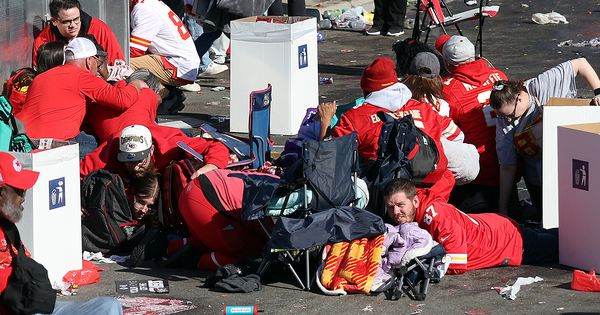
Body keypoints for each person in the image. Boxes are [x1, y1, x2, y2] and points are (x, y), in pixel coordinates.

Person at [319, 57, 461, 200]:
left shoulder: (355, 117)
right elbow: (457, 136)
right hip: (434, 192)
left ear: (366, 89)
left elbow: (328, 158)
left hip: (388, 199)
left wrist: (325, 121)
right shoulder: (423, 108)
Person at [0, 152, 123, 315]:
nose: (24, 196)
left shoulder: (8, 228)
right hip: (17, 309)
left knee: (108, 306)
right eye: (19, 190)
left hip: (30, 303)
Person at [490, 58, 600, 219]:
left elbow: (580, 64)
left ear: (520, 97)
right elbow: (507, 167)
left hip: (570, 168)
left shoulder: (541, 86)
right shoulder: (503, 120)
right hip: (538, 179)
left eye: (510, 115)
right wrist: (503, 209)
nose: (508, 121)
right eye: (502, 117)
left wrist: (598, 92)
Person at [383, 178, 558, 275]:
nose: (395, 212)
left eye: (400, 205)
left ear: (415, 200)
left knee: (566, 247)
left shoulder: (435, 216)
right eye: (390, 207)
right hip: (495, 227)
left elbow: (457, 263)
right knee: (561, 238)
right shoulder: (414, 210)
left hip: (507, 241)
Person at [18, 37, 147, 158]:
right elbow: (123, 100)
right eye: (97, 62)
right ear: (89, 61)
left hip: (23, 141)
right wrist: (134, 84)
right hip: (56, 144)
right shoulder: (83, 77)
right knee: (107, 146)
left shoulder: (41, 77)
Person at [440, 35, 508, 213]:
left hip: (477, 173)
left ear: (448, 64)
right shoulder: (499, 75)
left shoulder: (448, 89)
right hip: (508, 163)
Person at [404, 52, 480, 185]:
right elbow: (457, 136)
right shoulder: (442, 105)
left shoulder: (402, 101)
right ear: (438, 77)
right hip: (435, 162)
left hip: (407, 158)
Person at [80, 124, 230, 181]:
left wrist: (210, 167)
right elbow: (79, 172)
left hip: (170, 134)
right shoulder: (110, 150)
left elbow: (216, 146)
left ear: (151, 150)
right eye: (128, 161)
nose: (135, 166)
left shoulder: (171, 145)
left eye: (140, 160)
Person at [129, 0, 201, 91]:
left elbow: (135, 50)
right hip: (179, 61)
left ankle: (164, 95)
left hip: (178, 65)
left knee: (119, 65)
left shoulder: (144, 9)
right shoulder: (151, 3)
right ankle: (168, 94)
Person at [32, 0, 124, 67]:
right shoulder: (43, 40)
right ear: (54, 21)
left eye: (76, 19)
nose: (73, 25)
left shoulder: (99, 29)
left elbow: (118, 65)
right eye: (66, 22)